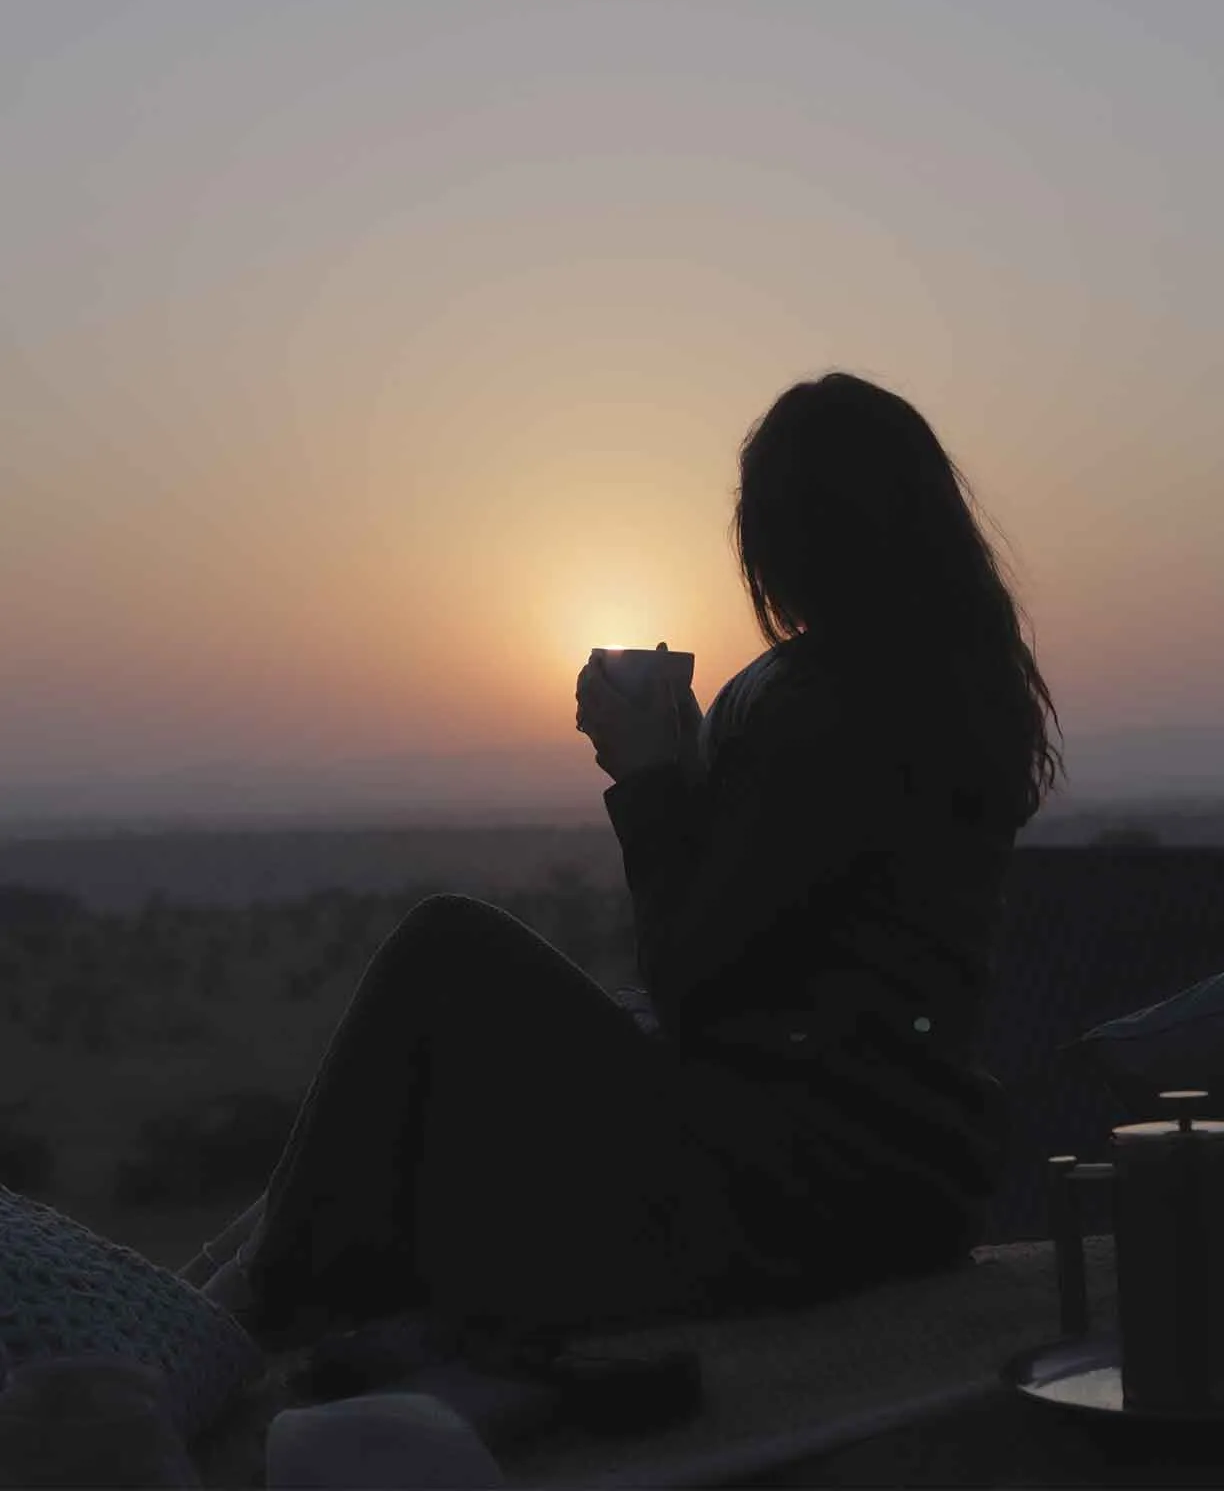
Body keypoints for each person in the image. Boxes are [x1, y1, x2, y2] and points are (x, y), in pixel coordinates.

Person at [184, 371, 1063, 1363]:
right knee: (456, 1064)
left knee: (446, 948)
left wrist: (648, 780)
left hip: (792, 1183)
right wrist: (690, 778)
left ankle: (235, 1311)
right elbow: (780, 940)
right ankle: (246, 1282)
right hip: (898, 1181)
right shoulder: (943, 685)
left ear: (778, 538)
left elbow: (694, 980)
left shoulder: (828, 705)